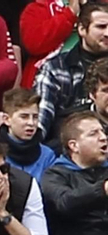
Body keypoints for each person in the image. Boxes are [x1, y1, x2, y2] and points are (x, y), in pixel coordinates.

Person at [42, 112, 108, 235]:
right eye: (93, 133)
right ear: (74, 145)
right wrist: (101, 190)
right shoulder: (55, 174)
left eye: (103, 132)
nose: (103, 137)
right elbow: (64, 203)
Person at [36, 2, 108, 140]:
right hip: (67, 151)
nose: (107, 33)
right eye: (101, 27)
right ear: (81, 29)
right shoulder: (55, 68)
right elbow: (40, 123)